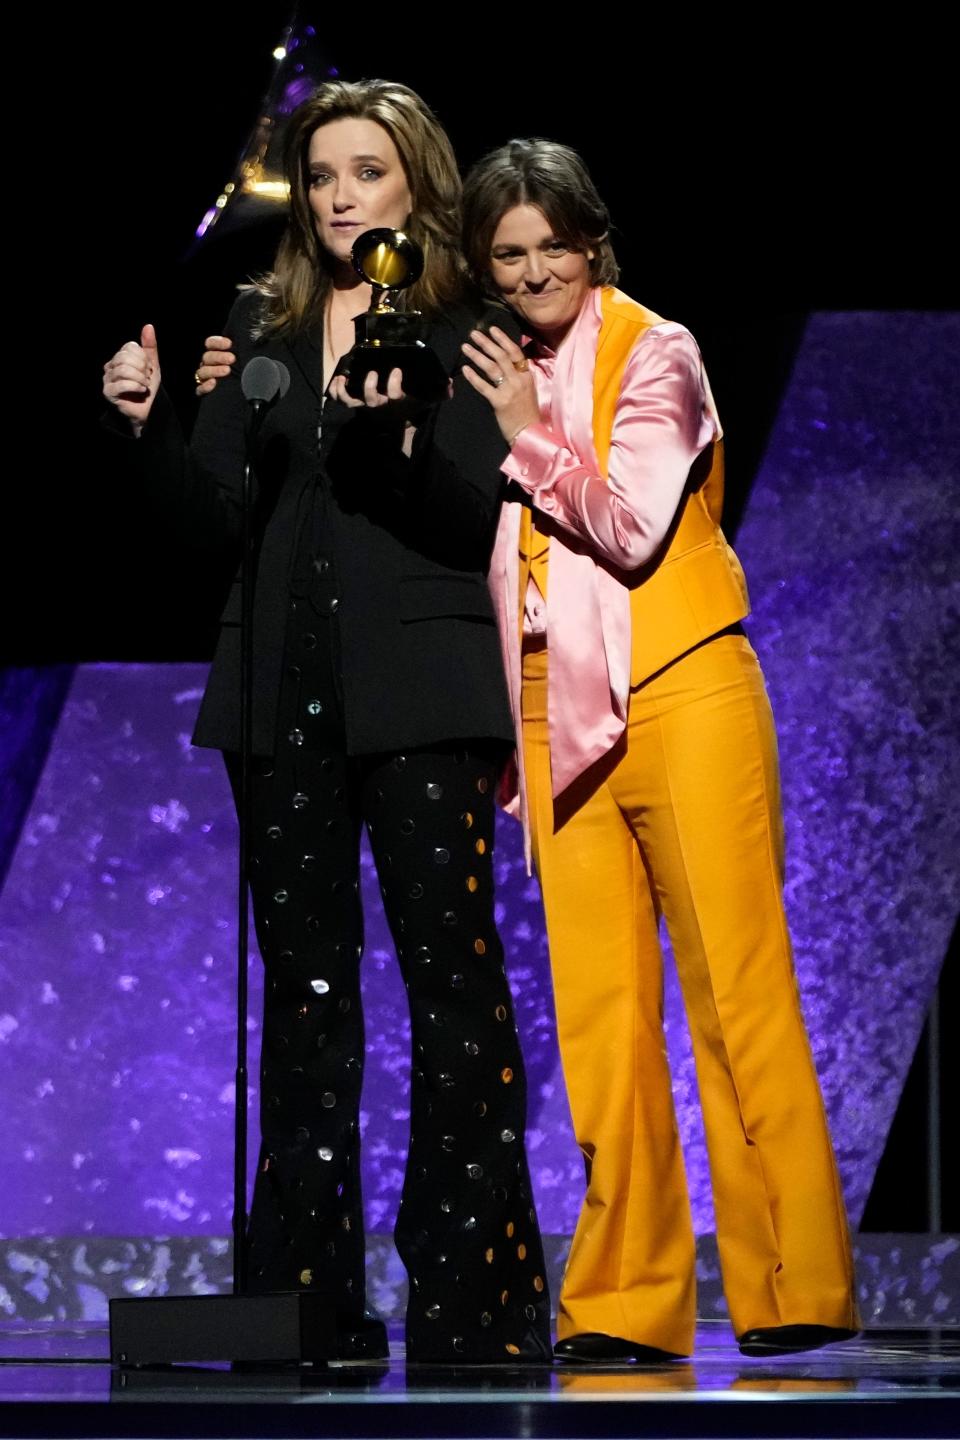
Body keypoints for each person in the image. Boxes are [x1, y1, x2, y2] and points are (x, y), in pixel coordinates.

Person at [101, 81, 552, 1366]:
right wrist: (149, 427)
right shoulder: (264, 319)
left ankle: (474, 1293)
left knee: (450, 984)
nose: (341, 195)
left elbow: (483, 525)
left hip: (422, 692)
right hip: (277, 691)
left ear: (416, 179)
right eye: (322, 177)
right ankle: (309, 1300)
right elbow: (210, 519)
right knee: (306, 1003)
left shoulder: (470, 322)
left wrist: (393, 439)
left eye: (365, 170)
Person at [455, 138, 860, 1363]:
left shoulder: (657, 348)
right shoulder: (490, 368)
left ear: (593, 240)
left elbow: (630, 526)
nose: (532, 274)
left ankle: (793, 1284)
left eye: (550, 248)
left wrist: (528, 432)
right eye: (507, 255)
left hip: (680, 689)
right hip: (551, 716)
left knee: (736, 989)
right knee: (602, 1017)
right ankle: (627, 1301)